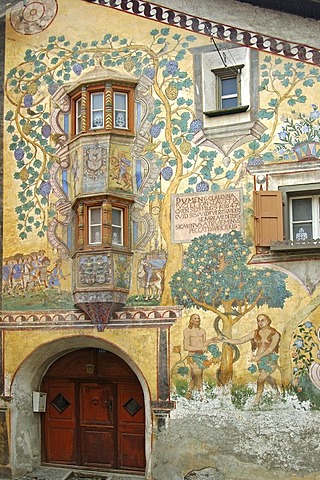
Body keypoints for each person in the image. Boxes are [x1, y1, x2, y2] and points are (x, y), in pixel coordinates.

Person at [215, 314, 281, 405]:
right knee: (267, 378)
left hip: (270, 360)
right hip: (260, 361)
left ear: (268, 321)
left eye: (262, 320)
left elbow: (271, 349)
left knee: (261, 379)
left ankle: (257, 400)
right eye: (258, 321)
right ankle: (277, 392)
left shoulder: (275, 334)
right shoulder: (255, 333)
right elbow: (240, 340)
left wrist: (259, 356)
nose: (260, 323)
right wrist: (226, 340)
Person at [183, 313, 207, 399]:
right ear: (191, 320)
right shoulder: (187, 331)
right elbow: (186, 347)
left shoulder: (202, 331)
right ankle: (202, 396)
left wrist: (207, 346)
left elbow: (204, 344)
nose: (197, 320)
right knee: (198, 375)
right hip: (192, 357)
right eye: (195, 318)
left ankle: (188, 394)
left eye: (198, 318)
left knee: (195, 377)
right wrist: (199, 349)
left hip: (201, 357)